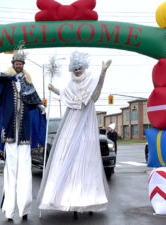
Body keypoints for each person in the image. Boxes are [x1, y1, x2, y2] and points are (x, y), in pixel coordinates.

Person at [36, 51, 112, 219]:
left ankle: (88, 199)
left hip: (86, 126)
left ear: (84, 67)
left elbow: (95, 96)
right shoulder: (70, 84)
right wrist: (53, 89)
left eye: (79, 68)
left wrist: (102, 74)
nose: (77, 71)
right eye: (75, 68)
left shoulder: (91, 81)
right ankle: (65, 198)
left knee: (87, 161)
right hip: (71, 124)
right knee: (66, 159)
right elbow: (65, 94)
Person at [0, 47, 46, 222]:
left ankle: (24, 209)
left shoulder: (28, 83)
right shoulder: (6, 81)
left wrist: (41, 107)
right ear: (13, 64)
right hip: (9, 133)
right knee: (10, 172)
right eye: (16, 63)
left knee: (25, 173)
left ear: (23, 65)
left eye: (20, 63)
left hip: (24, 135)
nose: (18, 65)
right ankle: (9, 211)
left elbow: (35, 99)